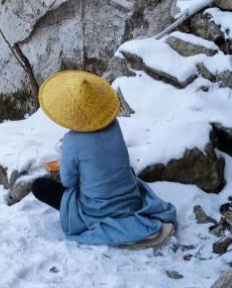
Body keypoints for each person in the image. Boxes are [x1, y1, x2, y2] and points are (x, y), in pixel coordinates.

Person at [31, 70, 177, 248]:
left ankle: (104, 220)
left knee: (39, 186)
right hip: (131, 200)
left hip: (97, 211)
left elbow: (69, 182)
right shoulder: (114, 126)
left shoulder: (73, 140)